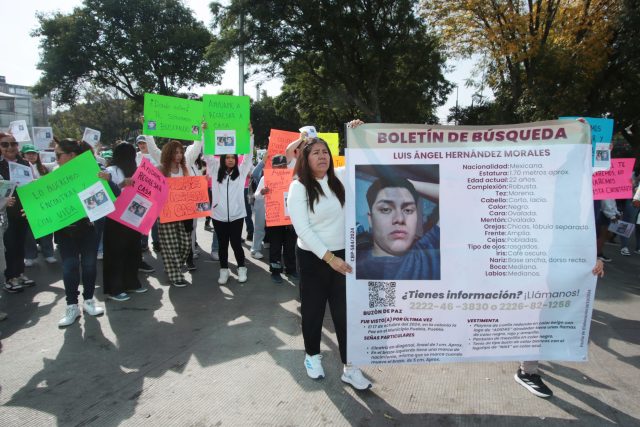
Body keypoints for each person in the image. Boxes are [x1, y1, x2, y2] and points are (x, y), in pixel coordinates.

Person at [287, 136, 371, 390]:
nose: (322, 156)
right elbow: (302, 228)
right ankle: (312, 356)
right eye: (316, 153)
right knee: (313, 312)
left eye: (325, 152)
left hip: (343, 257)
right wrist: (329, 258)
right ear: (305, 158)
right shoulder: (299, 187)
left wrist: (360, 132)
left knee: (344, 314)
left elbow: (364, 156)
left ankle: (350, 367)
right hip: (313, 258)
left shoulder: (340, 179)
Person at [514, 259, 605, 397]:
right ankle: (526, 369)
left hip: (550, 276)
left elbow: (579, 244)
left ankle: (527, 370)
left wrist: (594, 260)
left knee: (539, 321)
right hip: (525, 271)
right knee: (529, 319)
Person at [53, 139, 108, 327]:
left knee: (90, 266)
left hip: (87, 229)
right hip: (65, 232)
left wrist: (106, 181)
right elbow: (46, 205)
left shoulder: (91, 172)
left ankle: (89, 300)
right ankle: (71, 306)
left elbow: (110, 196)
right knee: (69, 267)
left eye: (58, 155)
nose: (56, 159)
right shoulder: (54, 175)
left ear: (72, 156)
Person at [356, 176, 440, 280]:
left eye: (408, 210)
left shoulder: (426, 253)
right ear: (371, 219)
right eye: (386, 209)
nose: (399, 219)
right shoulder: (353, 263)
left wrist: (407, 183)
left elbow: (458, 193)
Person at [145, 137, 201, 287]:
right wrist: (147, 130)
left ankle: (173, 266)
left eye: (181, 152)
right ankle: (175, 275)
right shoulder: (161, 169)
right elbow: (153, 191)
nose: (179, 155)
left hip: (183, 214)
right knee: (170, 245)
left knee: (185, 244)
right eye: (176, 152)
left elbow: (196, 148)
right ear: (169, 153)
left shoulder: (184, 169)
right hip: (166, 214)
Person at [206, 125, 255, 285]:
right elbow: (206, 154)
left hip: (236, 216)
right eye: (227, 157)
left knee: (236, 244)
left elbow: (248, 157)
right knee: (222, 245)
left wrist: (250, 135)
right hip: (218, 216)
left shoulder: (240, 173)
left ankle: (242, 268)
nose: (230, 159)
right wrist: (205, 132)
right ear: (222, 159)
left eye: (232, 157)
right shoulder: (214, 170)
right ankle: (224, 270)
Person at [103, 143, 147, 301]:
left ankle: (131, 282)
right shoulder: (110, 171)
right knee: (116, 255)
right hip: (115, 221)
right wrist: (121, 185)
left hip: (133, 218)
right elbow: (108, 194)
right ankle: (115, 288)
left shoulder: (136, 171)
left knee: (133, 252)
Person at [0, 132, 35, 292]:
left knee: (21, 244)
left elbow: (31, 185)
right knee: (10, 245)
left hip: (23, 211)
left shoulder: (24, 163)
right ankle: (10, 277)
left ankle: (19, 273)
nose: (10, 147)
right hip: (5, 214)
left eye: (13, 144)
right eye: (5, 144)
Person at [257, 155, 297, 283]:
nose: (280, 168)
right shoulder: (265, 178)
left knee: (290, 246)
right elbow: (256, 196)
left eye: (283, 166)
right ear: (272, 166)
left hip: (290, 219)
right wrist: (262, 192)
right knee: (275, 247)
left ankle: (290, 270)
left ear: (286, 165)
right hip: (274, 219)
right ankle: (275, 271)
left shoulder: (292, 178)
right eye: (278, 166)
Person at [20, 144, 56, 265]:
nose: (31, 156)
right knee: (29, 232)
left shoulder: (44, 168)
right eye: (28, 153)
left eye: (33, 153)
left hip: (44, 203)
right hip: (28, 203)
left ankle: (49, 254)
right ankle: (30, 256)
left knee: (47, 228)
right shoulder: (20, 168)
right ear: (23, 155)